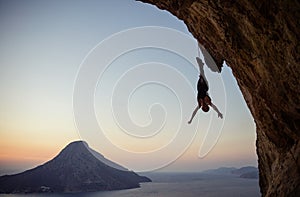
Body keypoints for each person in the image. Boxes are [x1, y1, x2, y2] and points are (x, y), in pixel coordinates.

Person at [188, 57, 223, 124]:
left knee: (201, 75)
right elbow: (214, 107)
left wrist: (191, 120)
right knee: (202, 75)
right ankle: (200, 64)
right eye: (206, 107)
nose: (204, 106)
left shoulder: (200, 104)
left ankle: (201, 65)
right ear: (207, 106)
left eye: (204, 108)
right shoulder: (208, 102)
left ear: (203, 108)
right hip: (205, 86)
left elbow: (194, 112)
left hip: (199, 87)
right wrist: (218, 112)